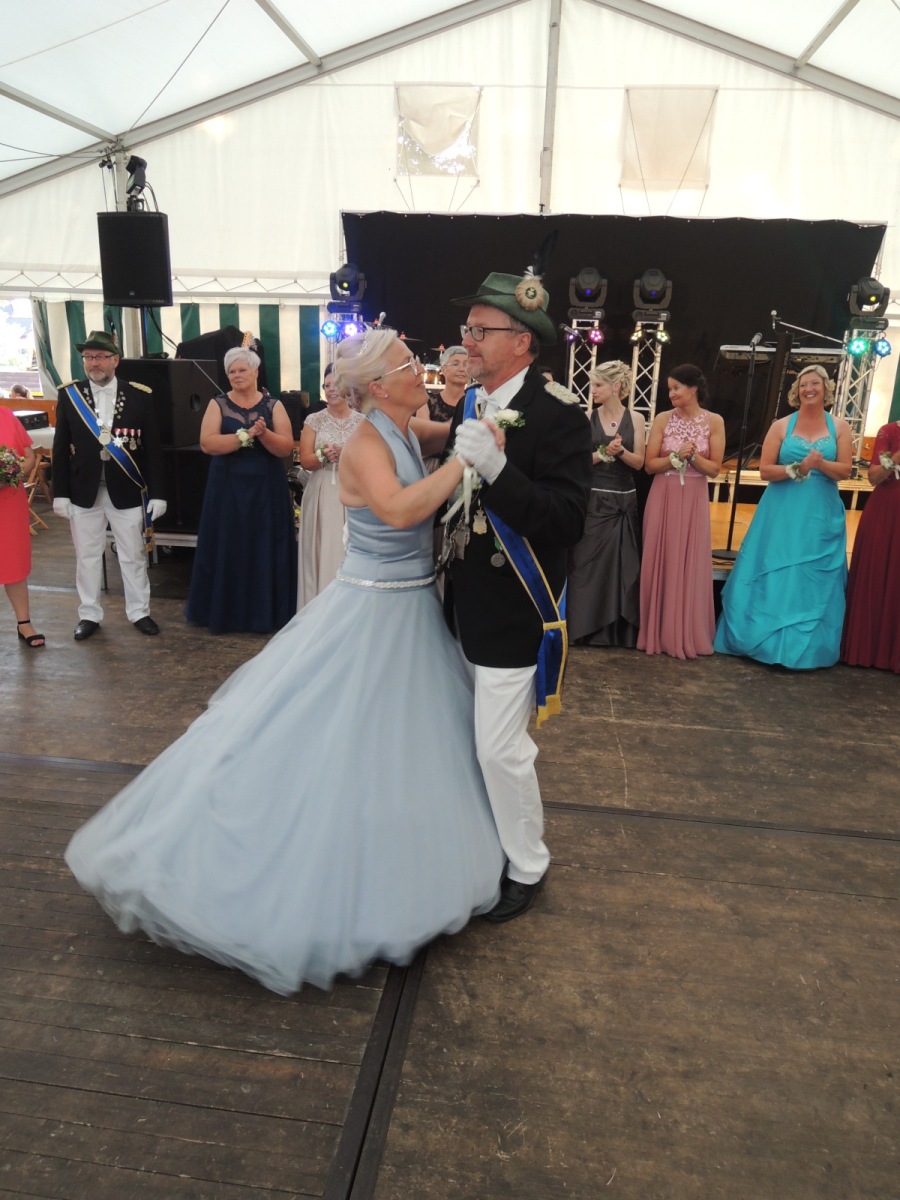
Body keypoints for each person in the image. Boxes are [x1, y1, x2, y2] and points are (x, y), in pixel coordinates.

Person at [64, 328, 505, 997]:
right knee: (341, 739)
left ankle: (392, 852)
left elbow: (441, 436)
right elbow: (398, 509)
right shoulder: (365, 441)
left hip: (410, 607)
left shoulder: (403, 427)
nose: (422, 372)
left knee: (397, 743)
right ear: (380, 385)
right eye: (409, 365)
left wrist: (485, 426)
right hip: (375, 611)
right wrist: (467, 462)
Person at [444, 270, 592, 923]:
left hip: (514, 607)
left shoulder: (559, 415)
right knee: (471, 742)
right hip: (463, 602)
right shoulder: (471, 403)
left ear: (522, 340)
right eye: (468, 328)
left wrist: (499, 469)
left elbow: (567, 521)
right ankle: (487, 843)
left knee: (500, 750)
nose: (468, 341)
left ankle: (528, 864)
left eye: (481, 330)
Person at [715, 364, 851, 669]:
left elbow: (845, 470)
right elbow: (765, 470)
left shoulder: (840, 427)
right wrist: (796, 469)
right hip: (782, 511)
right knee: (776, 567)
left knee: (811, 574)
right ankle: (763, 641)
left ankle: (808, 650)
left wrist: (820, 465)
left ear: (826, 389)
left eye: (814, 384)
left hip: (819, 513)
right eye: (803, 385)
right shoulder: (781, 426)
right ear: (796, 391)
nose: (808, 389)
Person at [51, 331, 166, 639]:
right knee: (86, 557)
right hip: (83, 492)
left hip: (126, 489)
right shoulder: (70, 395)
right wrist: (60, 493)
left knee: (133, 555)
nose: (94, 363)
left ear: (115, 360)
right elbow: (60, 447)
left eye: (101, 357)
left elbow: (153, 450)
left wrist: (158, 493)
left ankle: (139, 612)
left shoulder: (139, 395)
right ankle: (89, 614)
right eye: (88, 357)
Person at [185, 346, 297, 633]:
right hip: (227, 489)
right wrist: (244, 436)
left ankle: (264, 612)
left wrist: (264, 433)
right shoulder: (218, 404)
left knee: (263, 545)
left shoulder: (274, 405)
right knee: (228, 543)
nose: (236, 375)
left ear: (256, 372)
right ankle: (226, 612)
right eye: (231, 371)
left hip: (266, 490)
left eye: (242, 370)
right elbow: (208, 444)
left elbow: (286, 447)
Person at [638, 364, 725, 660]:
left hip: (694, 497)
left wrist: (694, 457)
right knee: (660, 558)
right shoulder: (663, 419)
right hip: (663, 493)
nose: (672, 394)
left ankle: (686, 631)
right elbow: (650, 465)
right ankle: (656, 632)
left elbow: (715, 469)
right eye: (670, 389)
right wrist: (675, 457)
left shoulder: (714, 421)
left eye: (676, 388)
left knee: (688, 560)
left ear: (693, 388)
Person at [567, 360, 646, 647]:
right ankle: (584, 629)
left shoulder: (636, 419)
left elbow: (639, 463)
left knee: (623, 567)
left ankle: (619, 633)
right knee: (585, 565)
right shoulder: (587, 416)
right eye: (593, 384)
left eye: (598, 385)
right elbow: (577, 461)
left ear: (616, 387)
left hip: (624, 501)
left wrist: (621, 451)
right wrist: (603, 454)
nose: (593, 390)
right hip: (594, 501)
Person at [296, 362, 364, 608]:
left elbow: (370, 460)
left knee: (347, 548)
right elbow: (305, 460)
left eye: (335, 384)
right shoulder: (314, 420)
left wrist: (348, 456)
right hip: (322, 489)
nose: (331, 389)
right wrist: (323, 456)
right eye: (327, 386)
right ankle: (317, 605)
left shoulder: (363, 421)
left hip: (352, 490)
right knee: (321, 547)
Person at [841, 420, 900, 672]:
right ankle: (870, 650)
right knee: (877, 577)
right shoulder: (889, 432)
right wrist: (896, 458)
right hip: (887, 513)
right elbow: (874, 477)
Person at [0, 407, 45, 647]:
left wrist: (11, 474)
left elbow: (29, 458)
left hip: (8, 503)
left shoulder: (6, 417)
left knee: (14, 563)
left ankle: (24, 623)